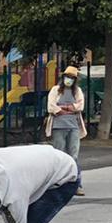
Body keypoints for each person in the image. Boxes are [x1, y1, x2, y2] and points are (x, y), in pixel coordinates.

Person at [47, 65, 88, 195]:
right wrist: (68, 109)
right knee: (59, 155)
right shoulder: (55, 90)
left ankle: (76, 184)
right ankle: (57, 184)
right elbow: (52, 107)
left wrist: (65, 108)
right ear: (63, 77)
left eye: (71, 78)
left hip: (73, 126)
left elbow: (80, 106)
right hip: (58, 126)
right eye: (67, 77)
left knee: (73, 156)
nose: (68, 80)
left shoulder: (77, 91)